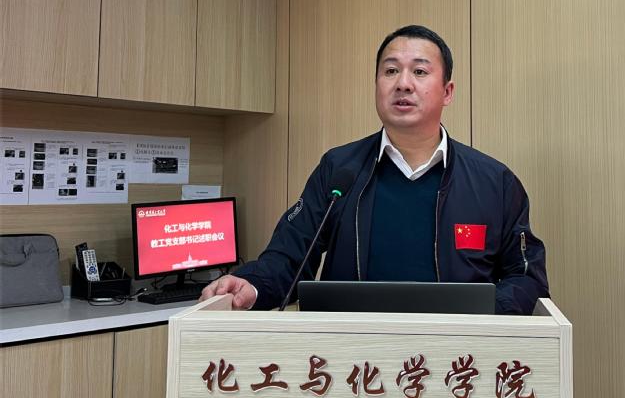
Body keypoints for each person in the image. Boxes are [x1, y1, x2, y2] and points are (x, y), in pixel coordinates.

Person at [200, 25, 548, 314]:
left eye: (420, 71)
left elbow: (525, 277)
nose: (403, 83)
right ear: (377, 84)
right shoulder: (339, 169)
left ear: (447, 92)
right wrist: (252, 284)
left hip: (457, 359)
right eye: (391, 71)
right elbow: (290, 256)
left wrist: (483, 319)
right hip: (352, 360)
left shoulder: (494, 182)